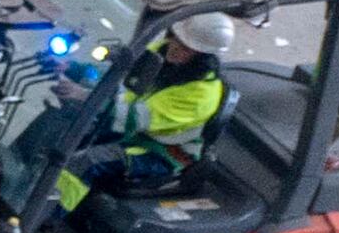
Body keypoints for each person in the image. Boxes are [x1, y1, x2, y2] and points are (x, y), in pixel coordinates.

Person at [54, 14, 230, 210]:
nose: (175, 48)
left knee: (85, 161)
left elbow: (132, 118)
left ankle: (47, 216)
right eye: (176, 39)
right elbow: (119, 77)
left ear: (203, 56)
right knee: (60, 133)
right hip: (129, 132)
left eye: (186, 48)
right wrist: (72, 69)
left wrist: (84, 95)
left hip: (156, 151)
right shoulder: (161, 53)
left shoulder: (200, 95)